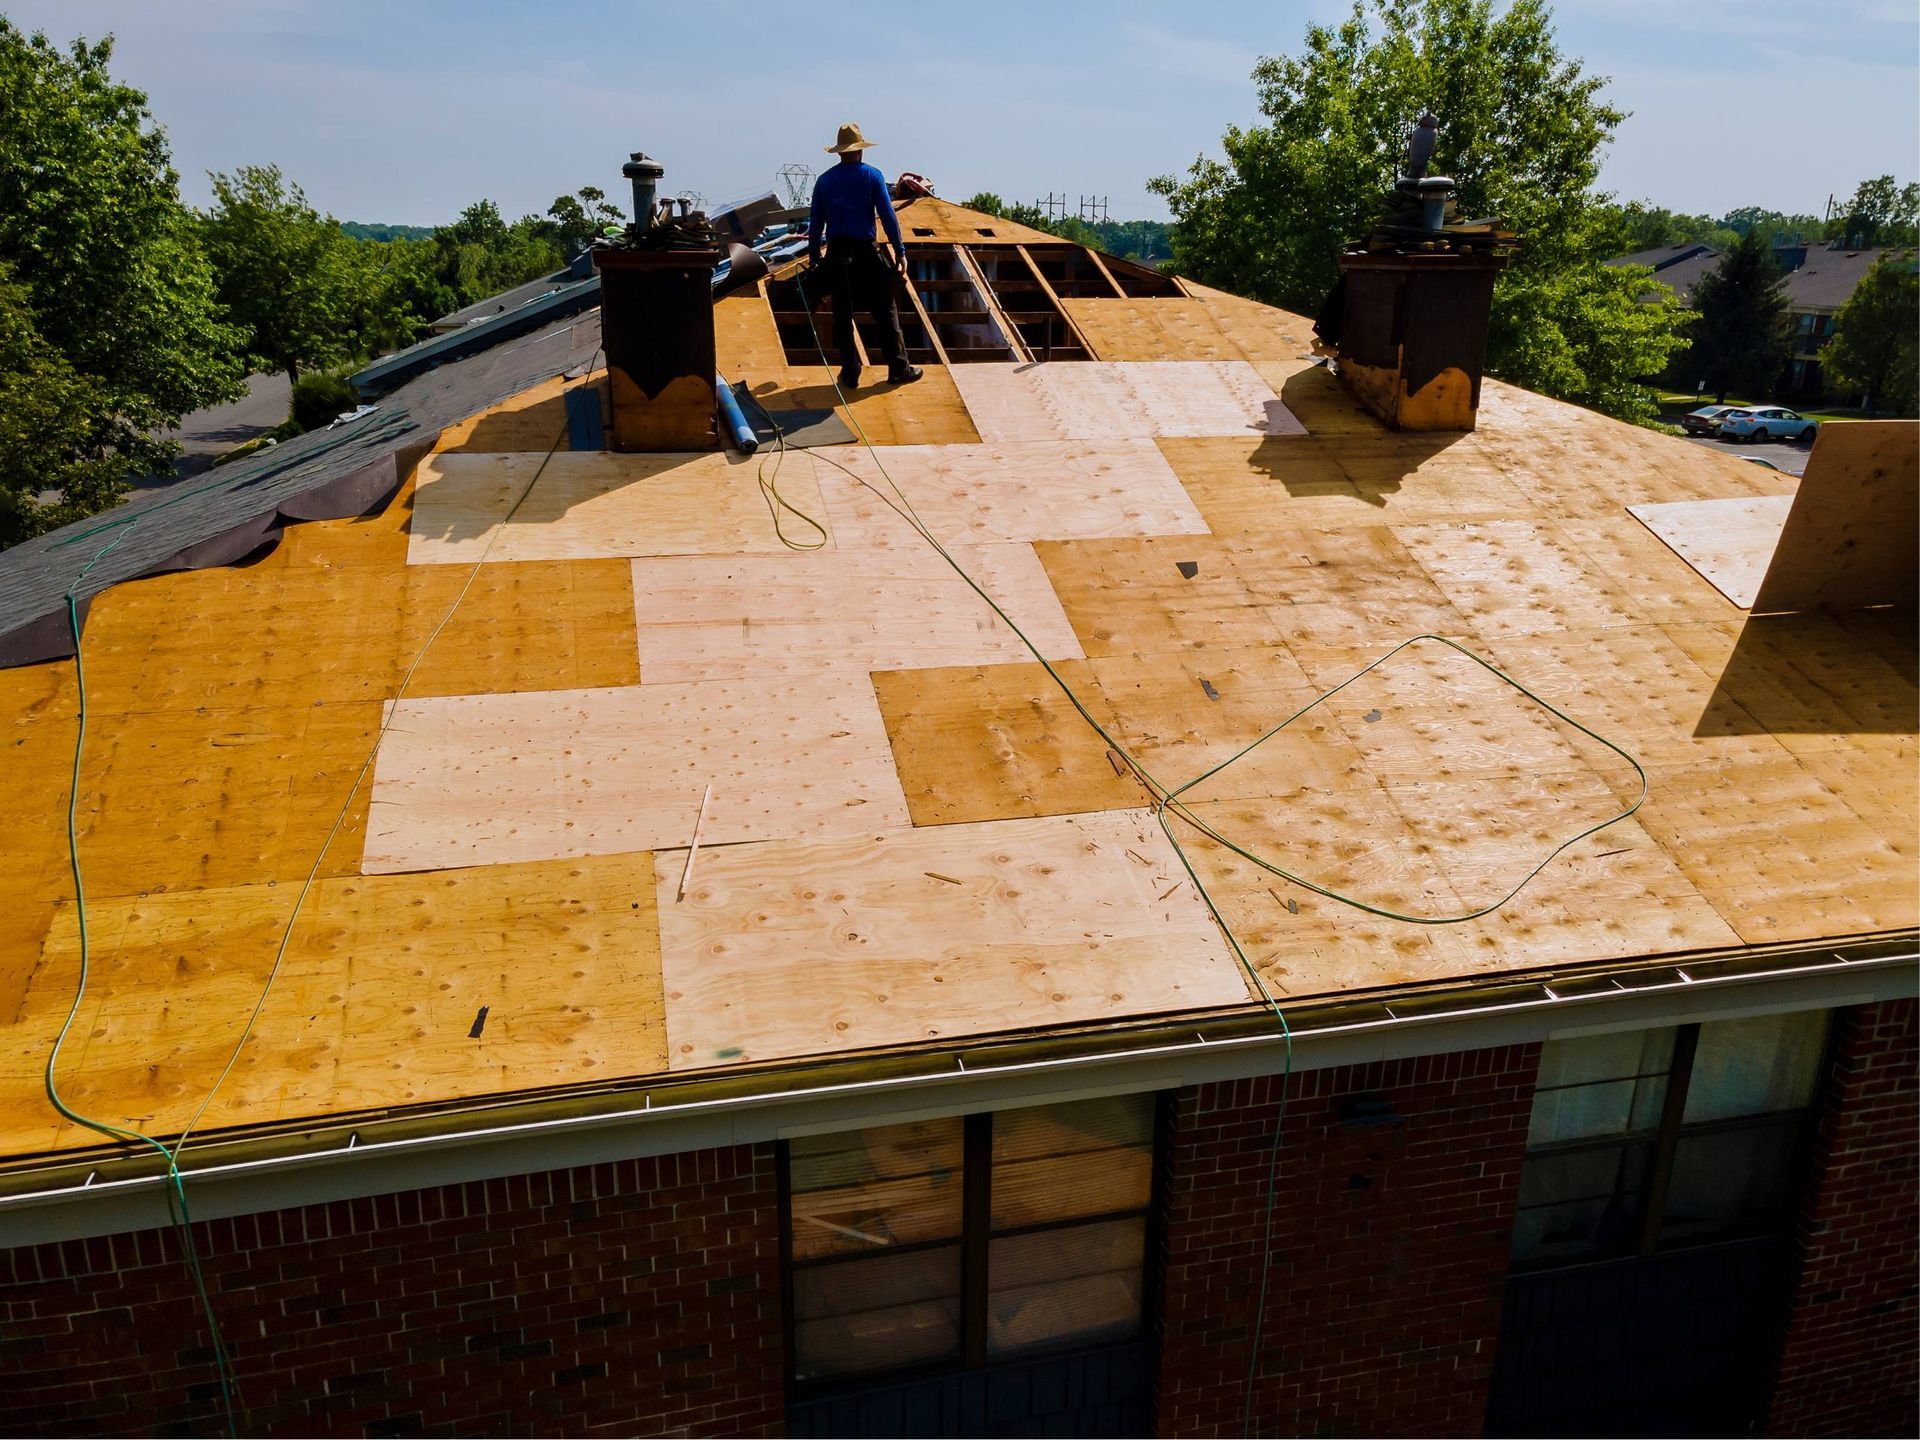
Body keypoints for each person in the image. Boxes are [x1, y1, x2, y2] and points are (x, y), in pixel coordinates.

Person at [806, 122, 922, 390]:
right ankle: (898, 368)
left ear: (839, 152)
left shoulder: (824, 181)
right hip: (866, 252)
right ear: (860, 150)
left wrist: (814, 257)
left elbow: (815, 224)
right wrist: (900, 251)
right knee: (885, 309)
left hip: (837, 253)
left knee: (842, 314)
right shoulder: (872, 176)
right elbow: (888, 216)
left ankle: (850, 372)